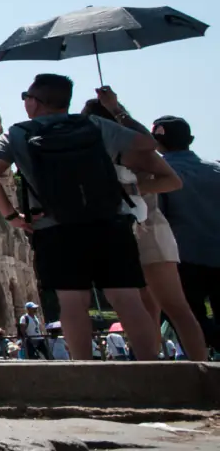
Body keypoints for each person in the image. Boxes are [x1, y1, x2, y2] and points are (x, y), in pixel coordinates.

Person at [0, 73, 176, 360]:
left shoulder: (17, 133)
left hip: (55, 227)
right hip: (109, 220)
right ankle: (153, 370)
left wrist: (12, 216)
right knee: (127, 299)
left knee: (72, 302)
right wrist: (116, 109)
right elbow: (149, 143)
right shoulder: (94, 124)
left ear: (35, 102)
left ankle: (85, 370)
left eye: (26, 97)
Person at [81, 92, 208, 361]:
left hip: (148, 227)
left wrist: (129, 188)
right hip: (116, 231)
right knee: (143, 308)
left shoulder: (134, 148)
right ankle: (152, 367)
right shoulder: (91, 152)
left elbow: (172, 181)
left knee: (174, 306)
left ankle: (202, 368)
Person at [150, 115, 220, 360]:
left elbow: (159, 216)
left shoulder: (160, 175)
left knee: (184, 316)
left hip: (184, 256)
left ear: (156, 142)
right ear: (190, 139)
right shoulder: (216, 169)